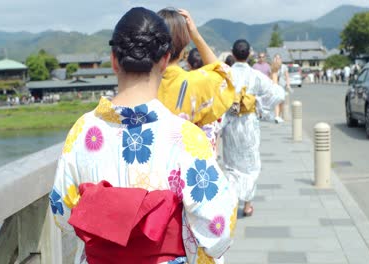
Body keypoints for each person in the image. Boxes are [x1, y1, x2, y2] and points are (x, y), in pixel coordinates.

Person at [49, 7, 237, 264]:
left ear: (114, 60)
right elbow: (218, 228)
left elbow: (62, 213)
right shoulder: (186, 138)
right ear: (164, 59)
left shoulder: (83, 131)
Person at [157, 8, 235, 153]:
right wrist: (195, 35)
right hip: (192, 167)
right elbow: (224, 75)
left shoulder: (141, 83)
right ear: (184, 47)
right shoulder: (197, 82)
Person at [222, 39, 267, 217]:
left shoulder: (226, 75)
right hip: (248, 123)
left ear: (232, 55)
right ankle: (248, 204)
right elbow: (275, 94)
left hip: (230, 122)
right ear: (249, 55)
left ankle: (233, 203)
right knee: (251, 164)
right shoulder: (256, 75)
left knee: (232, 165)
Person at [271, 54, 290, 123]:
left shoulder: (284, 67)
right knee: (276, 101)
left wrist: (288, 84)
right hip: (275, 86)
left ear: (281, 59)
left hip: (282, 86)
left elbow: (287, 76)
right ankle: (276, 116)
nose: (277, 60)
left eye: (279, 58)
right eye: (276, 58)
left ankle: (279, 115)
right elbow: (270, 75)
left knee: (281, 102)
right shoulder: (273, 66)